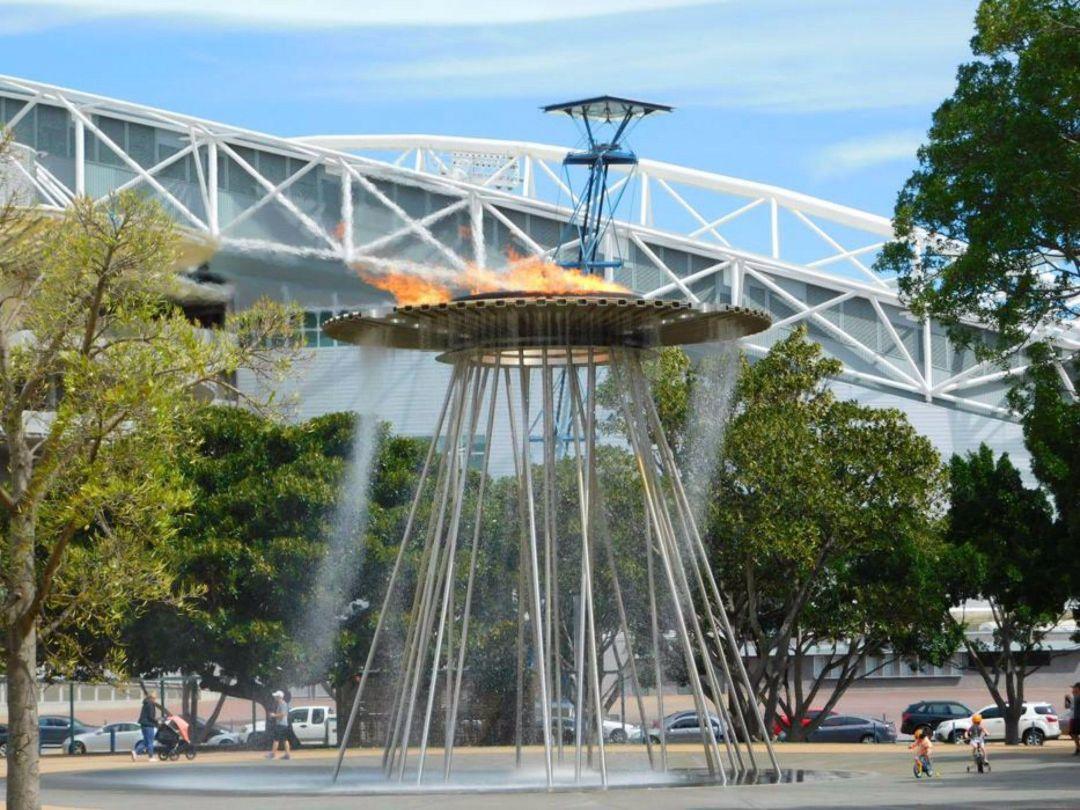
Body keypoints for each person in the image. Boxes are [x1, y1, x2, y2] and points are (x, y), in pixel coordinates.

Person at [133, 690, 162, 762]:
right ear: (152, 698)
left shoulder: (145, 703)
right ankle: (151, 757)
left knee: (146, 741)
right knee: (150, 742)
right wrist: (157, 722)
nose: (155, 699)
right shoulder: (150, 704)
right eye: (155, 698)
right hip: (149, 725)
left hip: (143, 725)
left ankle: (135, 752)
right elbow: (151, 716)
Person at [266, 690, 291, 760]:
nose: (275, 698)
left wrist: (274, 715)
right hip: (284, 724)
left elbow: (283, 714)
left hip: (281, 724)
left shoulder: (282, 704)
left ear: (279, 697)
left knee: (276, 739)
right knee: (285, 739)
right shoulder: (283, 704)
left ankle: (272, 754)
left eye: (276, 696)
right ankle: (287, 755)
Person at [1069, 682, 1080, 756]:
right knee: (1073, 733)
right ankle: (1078, 748)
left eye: (1074, 688)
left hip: (1078, 718)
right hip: (1074, 718)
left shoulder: (1077, 697)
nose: (1073, 689)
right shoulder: (1074, 697)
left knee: (1074, 733)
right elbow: (1068, 707)